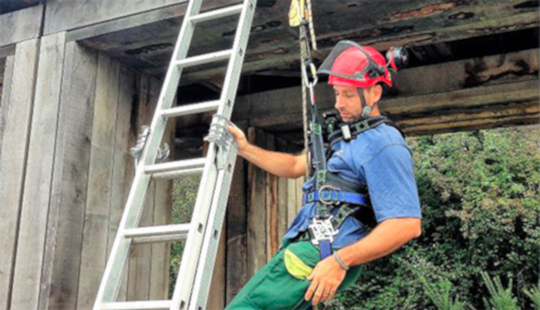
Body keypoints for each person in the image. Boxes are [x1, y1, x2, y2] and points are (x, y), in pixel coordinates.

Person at [225, 41, 422, 309]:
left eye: (349, 95)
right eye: (337, 94)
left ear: (374, 93)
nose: (339, 104)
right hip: (315, 251)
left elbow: (406, 224)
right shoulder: (345, 140)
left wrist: (340, 261)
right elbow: (295, 166)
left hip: (319, 251)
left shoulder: (384, 143)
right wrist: (245, 149)